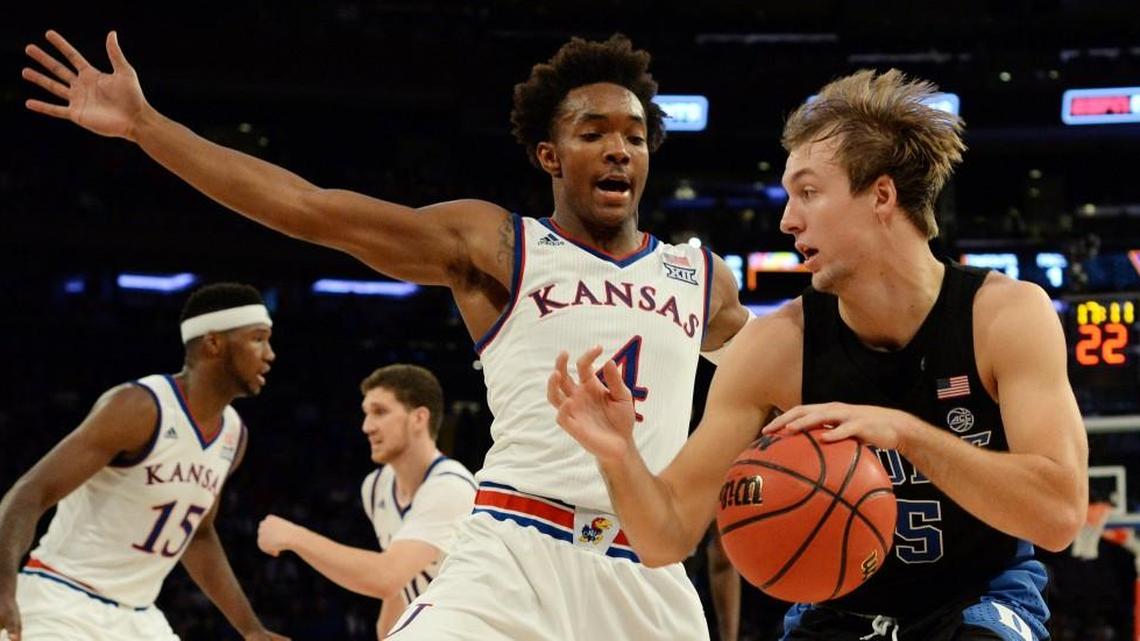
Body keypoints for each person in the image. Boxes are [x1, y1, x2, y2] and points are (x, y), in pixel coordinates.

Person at [21, 30, 750, 640]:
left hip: (645, 571)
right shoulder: (500, 244)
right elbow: (310, 209)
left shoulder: (700, 277)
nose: (618, 149)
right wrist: (149, 128)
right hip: (513, 552)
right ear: (549, 156)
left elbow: (782, 375)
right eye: (592, 133)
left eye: (633, 136)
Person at [549, 69, 1089, 641]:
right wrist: (618, 454)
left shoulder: (1003, 317)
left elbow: (1058, 516)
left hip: (980, 600)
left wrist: (906, 434)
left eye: (807, 192)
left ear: (882, 195)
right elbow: (665, 537)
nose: (787, 220)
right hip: (838, 614)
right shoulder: (775, 346)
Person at [0, 283, 286, 641]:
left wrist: (250, 628)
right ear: (213, 343)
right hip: (62, 601)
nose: (270, 354)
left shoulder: (233, 434)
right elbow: (30, 491)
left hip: (139, 618)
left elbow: (197, 534)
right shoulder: (139, 407)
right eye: (258, 339)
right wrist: (3, 584)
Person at [256, 364, 476, 639]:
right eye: (366, 414)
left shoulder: (449, 488)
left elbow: (386, 577)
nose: (367, 426)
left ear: (419, 418)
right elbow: (399, 588)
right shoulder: (377, 486)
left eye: (380, 412)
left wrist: (293, 536)